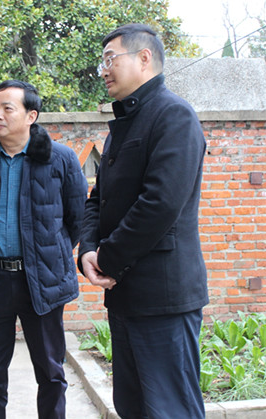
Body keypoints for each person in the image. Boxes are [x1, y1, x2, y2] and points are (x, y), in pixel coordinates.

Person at [78, 24, 208, 418]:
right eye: (102, 62)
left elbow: (161, 204)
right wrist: (88, 250)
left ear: (144, 58)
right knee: (132, 406)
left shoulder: (174, 116)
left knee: (169, 409)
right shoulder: (122, 126)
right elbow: (98, 199)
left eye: (110, 59)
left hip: (163, 297)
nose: (103, 70)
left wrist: (108, 259)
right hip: (125, 296)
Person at [0, 80, 88, 419]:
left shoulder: (61, 158)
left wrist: (46, 253)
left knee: (50, 371)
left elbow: (76, 219)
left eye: (7, 108)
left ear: (31, 115)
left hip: (41, 280)